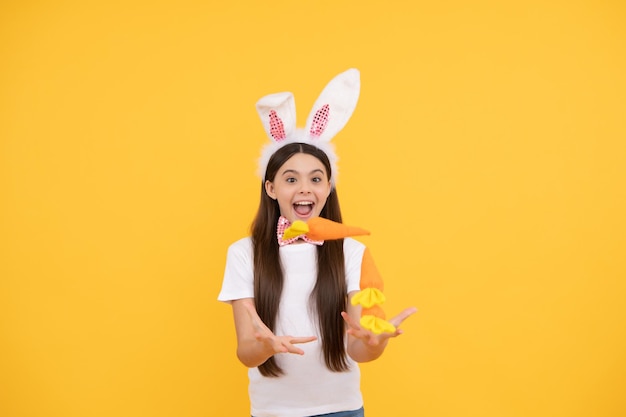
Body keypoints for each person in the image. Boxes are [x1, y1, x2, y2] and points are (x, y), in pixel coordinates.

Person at [218, 69, 416, 417]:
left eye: (316, 178)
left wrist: (374, 343)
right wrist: (265, 346)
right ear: (271, 188)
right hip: (272, 411)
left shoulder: (351, 252)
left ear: (328, 188)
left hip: (342, 409)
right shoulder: (243, 253)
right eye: (290, 178)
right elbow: (245, 352)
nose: (304, 188)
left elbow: (357, 348)